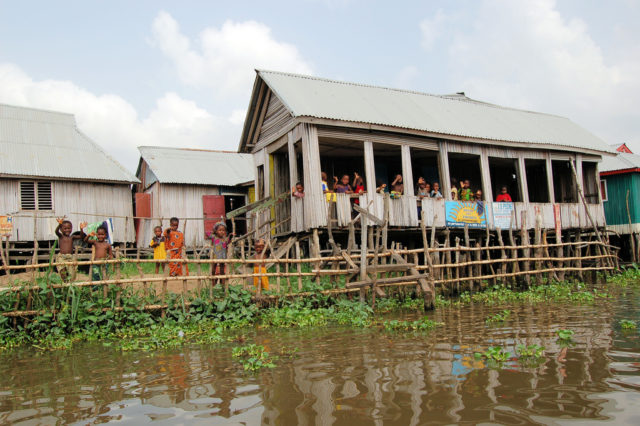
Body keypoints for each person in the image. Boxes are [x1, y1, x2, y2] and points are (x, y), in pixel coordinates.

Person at [55, 218, 87, 282]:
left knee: (72, 273)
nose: (67, 230)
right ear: (61, 229)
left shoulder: (72, 237)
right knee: (62, 271)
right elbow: (56, 231)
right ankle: (65, 283)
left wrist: (81, 229)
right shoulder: (61, 236)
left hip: (70, 257)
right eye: (65, 228)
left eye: (69, 228)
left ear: (71, 229)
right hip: (62, 257)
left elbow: (81, 236)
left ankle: (70, 284)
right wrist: (59, 224)